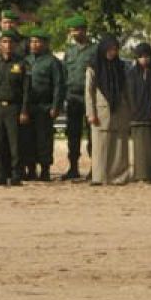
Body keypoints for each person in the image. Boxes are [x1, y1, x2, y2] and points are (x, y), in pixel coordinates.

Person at [0, 29, 30, 186]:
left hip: (14, 108)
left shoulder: (22, 64)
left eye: (10, 42)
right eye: (4, 42)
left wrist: (24, 110)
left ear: (15, 45)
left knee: (15, 143)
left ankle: (16, 174)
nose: (7, 45)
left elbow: (26, 91)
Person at [86, 36, 131, 186]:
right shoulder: (93, 67)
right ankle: (99, 177)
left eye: (115, 50)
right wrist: (91, 113)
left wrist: (129, 109)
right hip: (101, 112)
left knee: (119, 145)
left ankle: (119, 176)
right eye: (110, 50)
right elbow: (89, 92)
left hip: (119, 109)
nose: (112, 53)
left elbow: (126, 90)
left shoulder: (120, 67)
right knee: (101, 146)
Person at [24, 27, 66, 181]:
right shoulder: (26, 60)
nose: (34, 45)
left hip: (45, 106)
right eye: (32, 41)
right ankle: (30, 169)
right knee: (28, 138)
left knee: (44, 139)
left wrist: (56, 106)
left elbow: (58, 85)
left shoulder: (52, 62)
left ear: (45, 44)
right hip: (28, 106)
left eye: (37, 42)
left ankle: (45, 169)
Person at [63, 16, 96, 180]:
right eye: (72, 30)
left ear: (84, 30)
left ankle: (94, 168)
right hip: (73, 98)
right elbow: (64, 74)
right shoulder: (69, 51)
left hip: (89, 98)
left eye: (77, 30)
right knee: (73, 134)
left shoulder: (94, 50)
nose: (74, 33)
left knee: (92, 135)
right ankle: (73, 167)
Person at [127, 41, 151, 183]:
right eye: (141, 56)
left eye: (147, 56)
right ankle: (141, 174)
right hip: (138, 116)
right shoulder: (132, 73)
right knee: (140, 149)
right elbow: (130, 94)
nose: (144, 59)